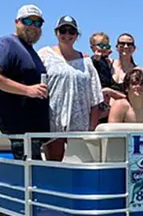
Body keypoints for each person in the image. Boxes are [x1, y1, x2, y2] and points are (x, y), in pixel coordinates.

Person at [0, 4, 49, 161]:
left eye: (37, 23)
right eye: (28, 21)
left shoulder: (30, 50)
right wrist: (28, 90)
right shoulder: (6, 44)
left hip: (34, 133)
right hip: (19, 132)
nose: (33, 26)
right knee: (29, 180)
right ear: (17, 22)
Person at [37, 16, 103, 160]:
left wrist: (91, 130)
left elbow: (95, 98)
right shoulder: (44, 55)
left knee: (80, 169)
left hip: (80, 126)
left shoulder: (86, 61)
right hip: (53, 124)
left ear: (77, 35)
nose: (67, 35)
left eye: (71, 31)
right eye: (63, 30)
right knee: (55, 167)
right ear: (56, 33)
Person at [89, 32, 126, 124]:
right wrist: (96, 58)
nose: (104, 48)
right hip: (98, 93)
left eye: (107, 46)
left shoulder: (106, 61)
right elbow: (93, 64)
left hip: (106, 94)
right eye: (101, 45)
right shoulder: (94, 60)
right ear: (92, 47)